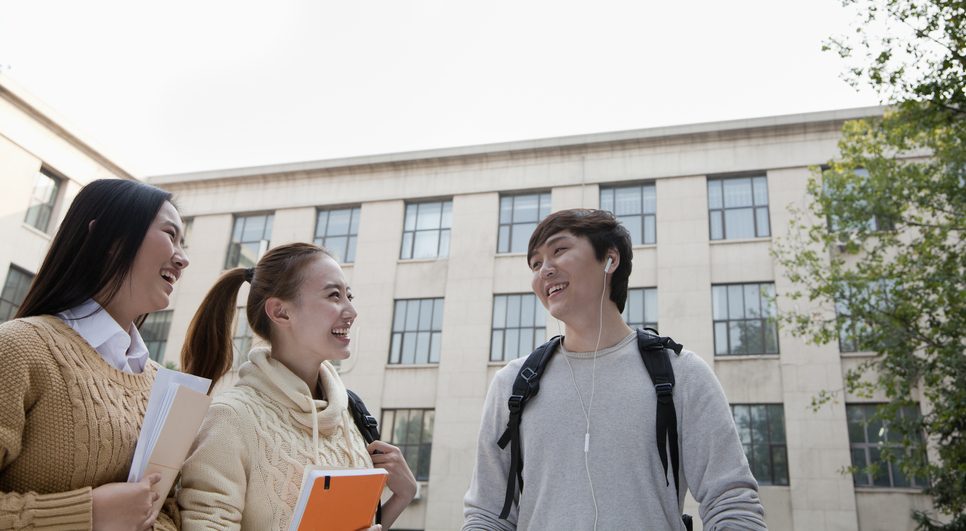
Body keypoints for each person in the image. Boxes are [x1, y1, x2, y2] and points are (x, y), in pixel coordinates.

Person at [462, 209, 768, 530]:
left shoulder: (682, 374)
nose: (544, 271)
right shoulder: (512, 384)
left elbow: (732, 504)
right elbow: (486, 513)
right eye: (536, 264)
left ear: (610, 259)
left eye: (559, 251)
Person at [177, 242, 417, 531]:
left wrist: (403, 496)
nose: (351, 311)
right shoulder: (230, 418)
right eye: (334, 296)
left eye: (349, 296)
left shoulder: (350, 413)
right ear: (281, 312)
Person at [0, 178, 190, 531]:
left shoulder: (158, 382)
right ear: (111, 240)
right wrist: (87, 514)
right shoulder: (18, 348)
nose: (183, 259)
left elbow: (167, 512)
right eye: (170, 235)